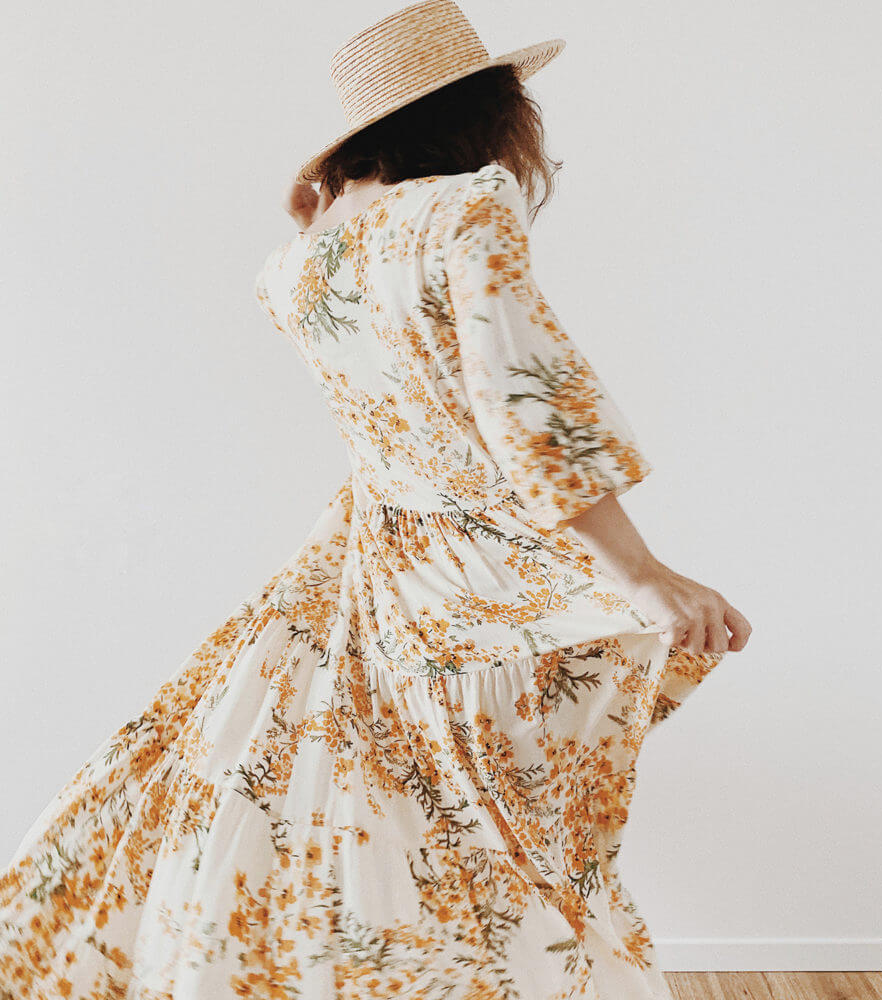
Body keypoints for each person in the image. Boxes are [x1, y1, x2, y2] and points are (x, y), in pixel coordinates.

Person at [0, 2, 750, 997]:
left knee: (383, 848)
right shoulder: (465, 207)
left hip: (364, 578)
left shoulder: (290, 267)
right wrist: (643, 574)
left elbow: (389, 367)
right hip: (483, 592)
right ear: (487, 112)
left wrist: (315, 218)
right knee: (497, 863)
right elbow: (528, 402)